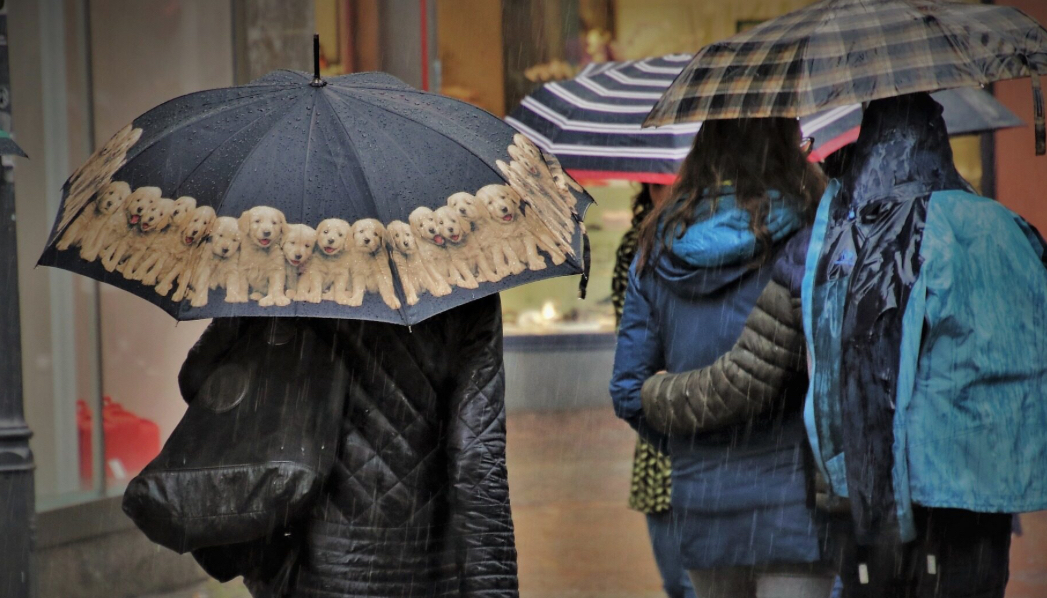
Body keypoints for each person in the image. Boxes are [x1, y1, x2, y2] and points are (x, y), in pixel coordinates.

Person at [803, 92, 1047, 598]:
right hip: (991, 478)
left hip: (918, 484)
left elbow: (868, 369)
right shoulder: (1002, 223)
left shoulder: (891, 231)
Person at [610, 118, 833, 598]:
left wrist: (696, 446)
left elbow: (628, 392)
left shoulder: (654, 249)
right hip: (796, 505)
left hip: (704, 508)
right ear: (785, 150)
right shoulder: (813, 237)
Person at [175, 295, 519, 598]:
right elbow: (478, 459)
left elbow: (197, 378)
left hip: (309, 561)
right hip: (424, 571)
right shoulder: (460, 283)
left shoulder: (288, 265)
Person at [611, 182, 695, 598]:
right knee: (680, 583)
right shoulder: (637, 246)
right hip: (663, 423)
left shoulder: (717, 232)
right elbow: (632, 346)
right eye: (661, 179)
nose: (671, 185)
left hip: (701, 415)